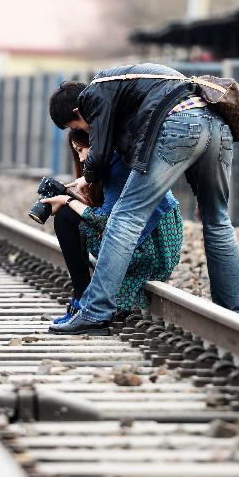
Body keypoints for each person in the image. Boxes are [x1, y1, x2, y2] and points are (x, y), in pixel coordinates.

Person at [47, 64, 239, 335]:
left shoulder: (93, 95)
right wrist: (201, 190)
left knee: (126, 217)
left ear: (76, 111)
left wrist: (87, 176)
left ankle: (94, 313)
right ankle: (234, 318)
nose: (85, 130)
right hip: (215, 120)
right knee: (217, 220)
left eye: (75, 125)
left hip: (180, 122)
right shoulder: (132, 83)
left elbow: (101, 153)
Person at [41, 130, 183, 334]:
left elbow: (105, 221)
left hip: (152, 250)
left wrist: (67, 200)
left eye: (82, 150)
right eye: (77, 152)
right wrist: (76, 196)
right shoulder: (116, 159)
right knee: (69, 215)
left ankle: (83, 301)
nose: (81, 158)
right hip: (144, 240)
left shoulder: (119, 165)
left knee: (66, 217)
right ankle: (82, 299)